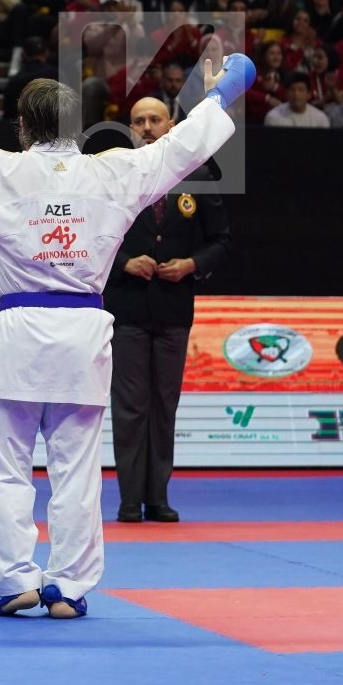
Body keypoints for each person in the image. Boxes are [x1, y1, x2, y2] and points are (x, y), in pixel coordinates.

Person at [0, 51, 250, 618]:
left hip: (21, 332)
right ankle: (69, 588)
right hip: (84, 333)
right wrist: (221, 95)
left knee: (4, 465)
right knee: (75, 467)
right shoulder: (115, 169)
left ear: (23, 127)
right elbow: (181, 150)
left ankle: (14, 582)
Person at [108, 97, 232, 523]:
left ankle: (157, 496)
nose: (146, 127)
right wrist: (123, 260)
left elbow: (220, 239)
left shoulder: (197, 175)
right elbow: (91, 233)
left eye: (154, 119)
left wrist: (192, 264)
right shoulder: (116, 173)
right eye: (139, 121)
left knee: (164, 404)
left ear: (171, 124)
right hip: (126, 307)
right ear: (130, 128)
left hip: (174, 307)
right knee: (129, 406)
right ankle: (128, 499)